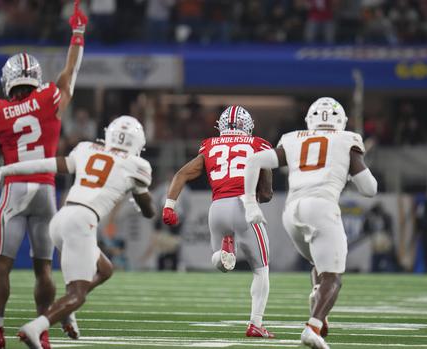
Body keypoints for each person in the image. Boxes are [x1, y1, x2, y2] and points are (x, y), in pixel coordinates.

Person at [0, 2, 88, 348]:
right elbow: (71, 73)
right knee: (44, 270)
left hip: (15, 191)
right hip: (46, 192)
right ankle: (43, 332)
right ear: (34, 78)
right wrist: (77, 34)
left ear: (8, 81)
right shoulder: (49, 98)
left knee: (1, 267)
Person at [0, 115, 156, 349]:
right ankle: (36, 327)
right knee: (78, 294)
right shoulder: (137, 166)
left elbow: (47, 164)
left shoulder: (87, 148)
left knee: (105, 269)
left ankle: (67, 313)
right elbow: (149, 211)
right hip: (82, 222)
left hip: (61, 219)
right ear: (138, 142)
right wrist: (142, 196)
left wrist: (6, 169)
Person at [243, 97, 378, 349]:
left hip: (291, 212)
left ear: (310, 120)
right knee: (334, 277)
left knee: (319, 262)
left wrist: (250, 203)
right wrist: (351, 167)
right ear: (341, 121)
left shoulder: (294, 138)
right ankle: (313, 326)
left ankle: (320, 309)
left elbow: (254, 161)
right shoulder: (346, 140)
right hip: (322, 207)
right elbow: (369, 189)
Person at [162, 105, 275, 338]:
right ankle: (255, 323)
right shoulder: (258, 144)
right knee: (261, 269)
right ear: (248, 125)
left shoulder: (210, 145)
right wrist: (260, 195)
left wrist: (169, 205)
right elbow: (267, 192)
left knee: (222, 264)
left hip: (217, 208)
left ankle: (224, 251)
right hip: (244, 205)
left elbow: (182, 174)